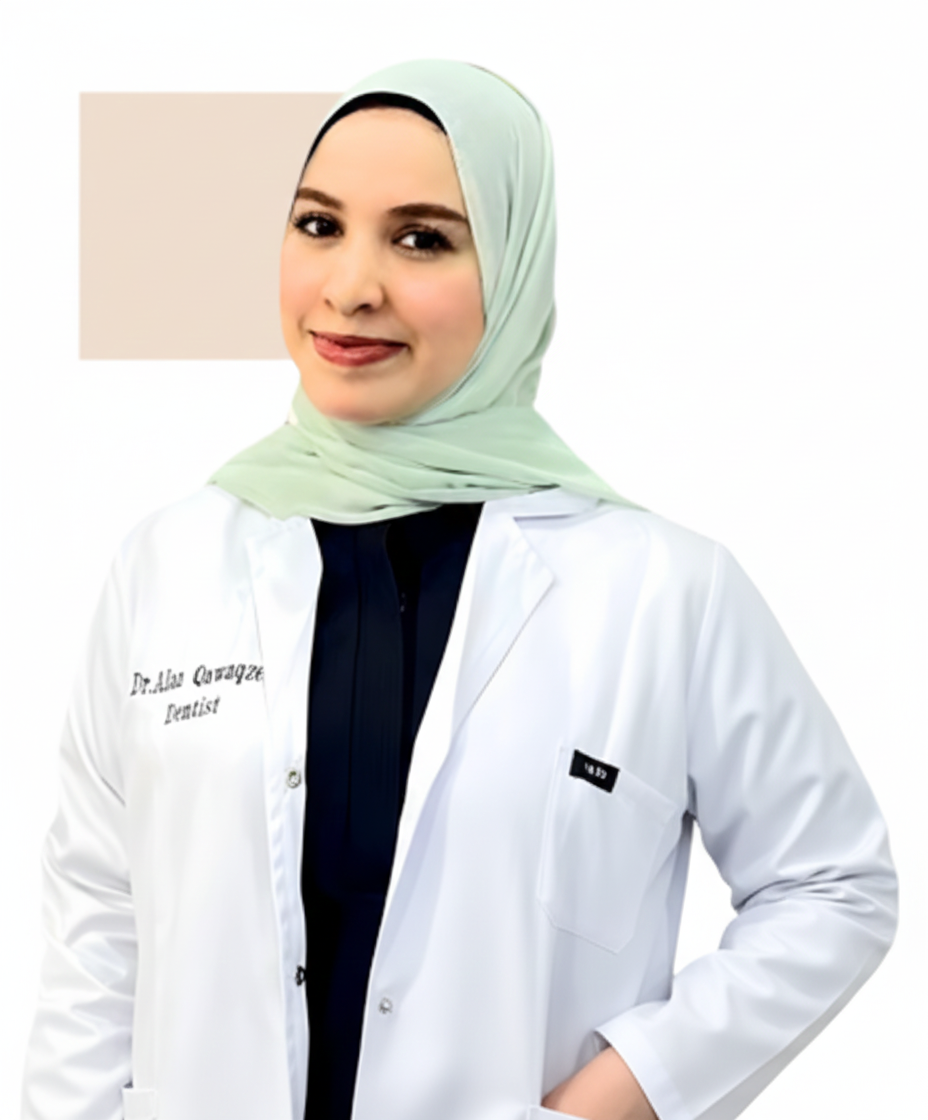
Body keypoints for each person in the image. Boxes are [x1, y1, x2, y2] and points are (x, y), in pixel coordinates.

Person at [22, 60, 897, 1120]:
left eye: (422, 239)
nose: (351, 286)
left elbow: (833, 885)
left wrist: (613, 1098)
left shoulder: (664, 591)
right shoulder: (167, 563)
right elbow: (97, 913)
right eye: (318, 225)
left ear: (516, 267)